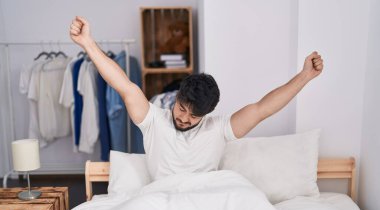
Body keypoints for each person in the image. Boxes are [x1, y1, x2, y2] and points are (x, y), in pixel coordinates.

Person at [69, 16, 324, 180]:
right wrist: (88, 43)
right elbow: (122, 84)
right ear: (177, 98)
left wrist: (305, 76)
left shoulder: (219, 128)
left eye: (194, 116)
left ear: (206, 114)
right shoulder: (153, 120)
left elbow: (263, 109)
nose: (184, 118)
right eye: (182, 109)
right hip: (162, 202)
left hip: (206, 200)